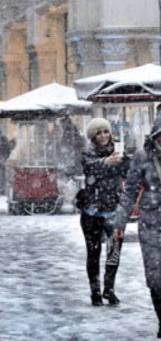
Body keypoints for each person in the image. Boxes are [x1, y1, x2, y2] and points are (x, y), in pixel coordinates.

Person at [114, 115, 161, 337]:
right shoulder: (143, 157)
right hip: (151, 223)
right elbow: (130, 190)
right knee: (156, 277)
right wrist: (120, 221)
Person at [79, 117, 129, 306]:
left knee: (114, 251)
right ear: (92, 136)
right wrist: (106, 162)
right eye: (98, 133)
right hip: (91, 211)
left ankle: (109, 289)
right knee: (93, 253)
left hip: (114, 211)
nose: (103, 136)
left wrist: (124, 161)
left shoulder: (119, 150)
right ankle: (95, 291)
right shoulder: (87, 153)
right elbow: (90, 169)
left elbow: (128, 174)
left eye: (105, 131)